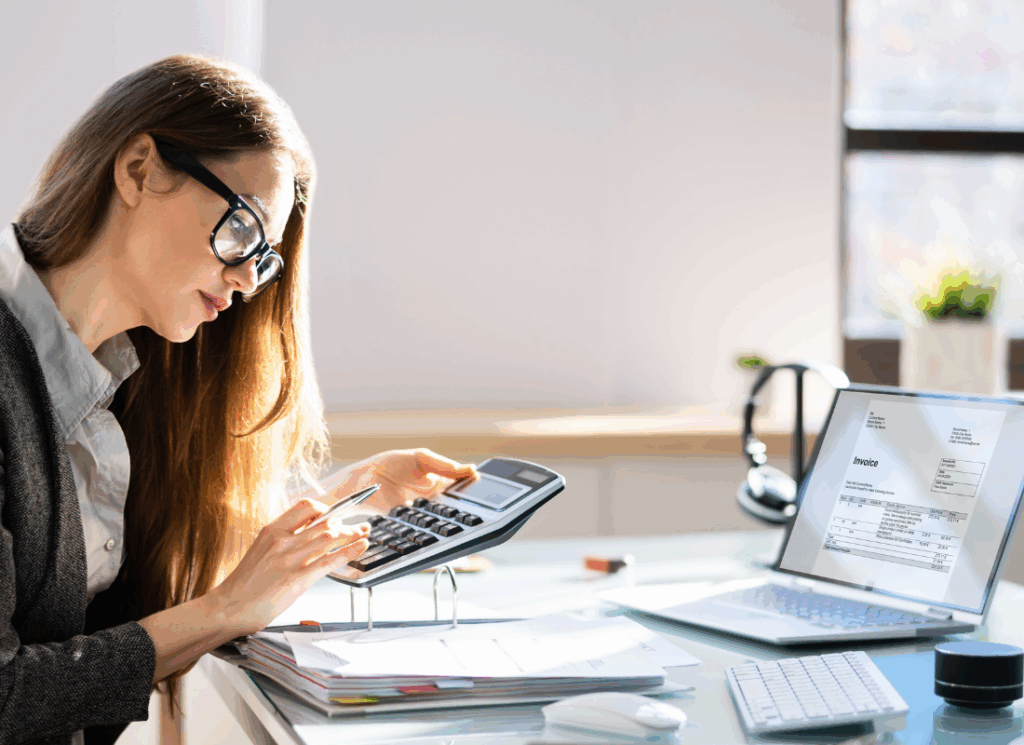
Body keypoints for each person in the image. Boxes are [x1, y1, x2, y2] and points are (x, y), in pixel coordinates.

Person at [0, 53, 476, 744]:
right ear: (139, 170)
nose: (250, 281)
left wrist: (338, 506)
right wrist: (222, 611)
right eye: (244, 229)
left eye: (266, 257)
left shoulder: (112, 386)